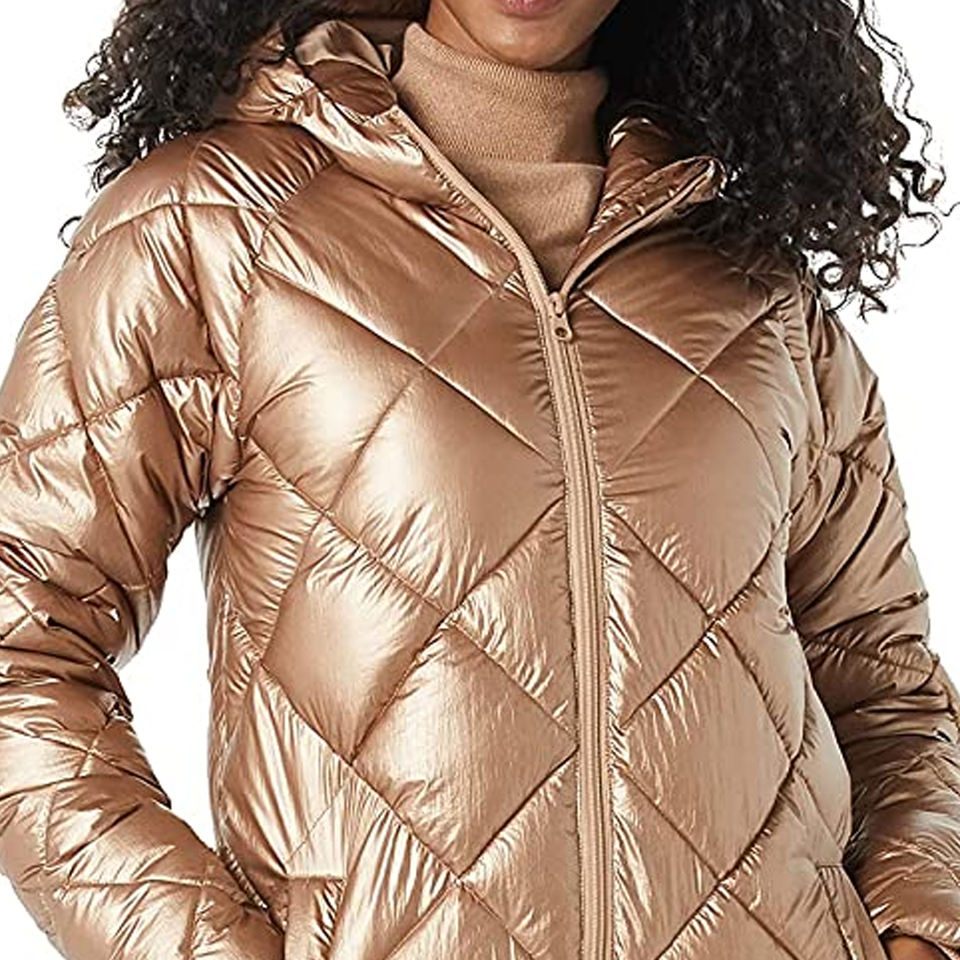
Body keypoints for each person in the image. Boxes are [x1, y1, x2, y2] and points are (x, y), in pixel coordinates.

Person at [0, 1, 957, 958]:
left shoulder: (758, 289)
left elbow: (889, 690)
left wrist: (921, 927)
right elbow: (23, 653)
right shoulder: (218, 230)